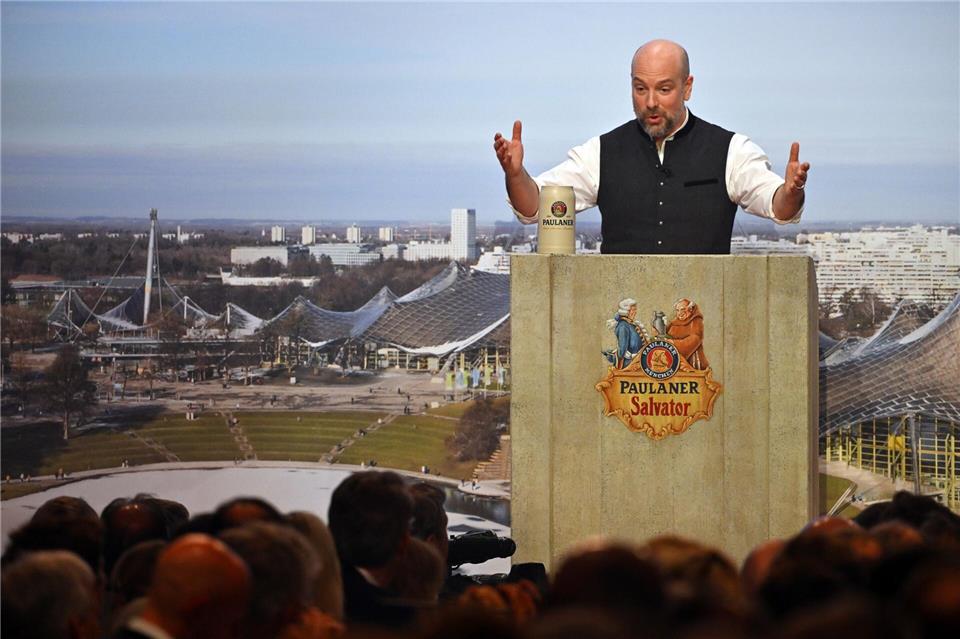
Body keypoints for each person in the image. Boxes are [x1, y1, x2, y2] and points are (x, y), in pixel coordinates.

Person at [494, 39, 810, 254]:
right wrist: (516, 174)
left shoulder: (731, 150)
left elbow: (777, 205)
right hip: (622, 326)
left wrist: (792, 191)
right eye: (640, 88)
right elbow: (537, 206)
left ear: (688, 87)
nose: (650, 102)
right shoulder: (602, 151)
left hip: (701, 321)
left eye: (664, 89)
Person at [665, 298, 707, 370]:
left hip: (691, 362)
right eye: (677, 310)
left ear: (690, 309)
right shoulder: (674, 322)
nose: (679, 313)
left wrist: (673, 343)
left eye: (682, 309)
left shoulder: (695, 321)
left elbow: (695, 339)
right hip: (672, 360)